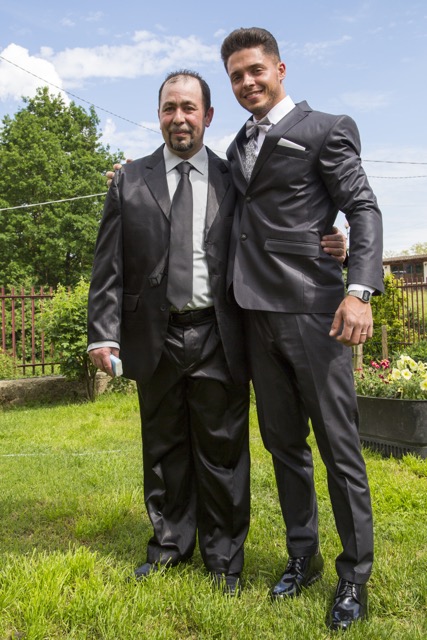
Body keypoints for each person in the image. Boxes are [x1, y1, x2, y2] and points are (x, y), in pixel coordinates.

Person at [220, 27, 383, 631]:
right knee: (284, 445)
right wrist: (130, 174)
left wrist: (359, 289)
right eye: (236, 76)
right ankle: (302, 557)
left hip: (315, 313)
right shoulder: (237, 144)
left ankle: (354, 575)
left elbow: (362, 207)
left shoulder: (325, 128)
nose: (247, 83)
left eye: (255, 70)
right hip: (254, 316)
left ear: (280, 69)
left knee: (339, 448)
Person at [88, 70, 251, 596]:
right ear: (158, 114)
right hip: (154, 336)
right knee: (163, 449)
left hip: (218, 333)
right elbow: (109, 265)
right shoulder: (129, 179)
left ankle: (224, 558)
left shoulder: (234, 179)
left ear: (208, 115)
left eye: (189, 107)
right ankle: (169, 547)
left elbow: (271, 231)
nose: (179, 118)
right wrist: (102, 333)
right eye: (169, 108)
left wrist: (328, 239)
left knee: (222, 451)